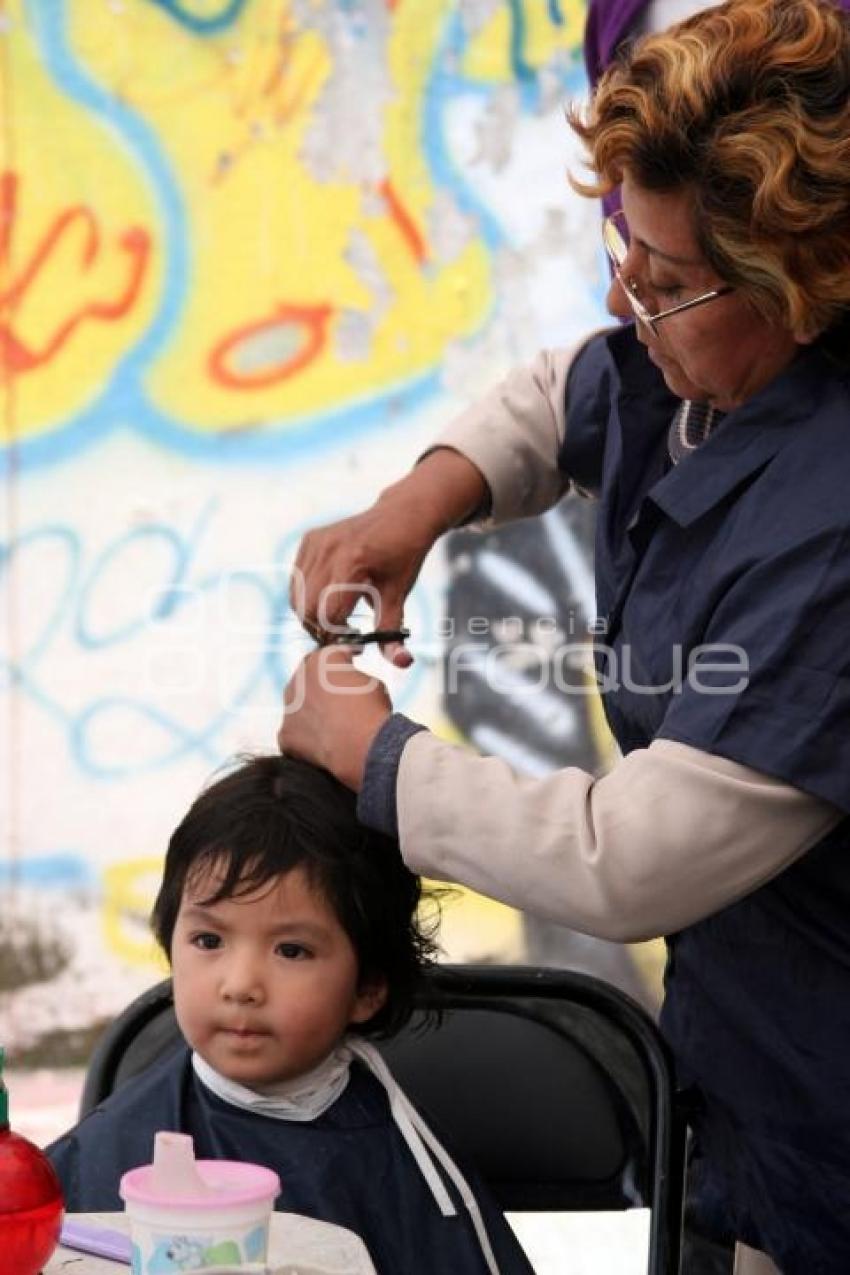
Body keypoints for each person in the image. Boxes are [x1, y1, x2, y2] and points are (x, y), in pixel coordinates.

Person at [277, 2, 850, 1273]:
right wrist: (411, 508)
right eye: (620, 252)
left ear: (799, 294)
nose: (622, 296)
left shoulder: (828, 533)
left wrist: (380, 761)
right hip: (743, 1094)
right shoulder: (691, 355)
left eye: (660, 279)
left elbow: (626, 861)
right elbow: (564, 396)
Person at [47, 755, 534, 1275]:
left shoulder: (410, 1163)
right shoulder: (108, 1147)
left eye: (292, 951)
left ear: (367, 988)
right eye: (209, 940)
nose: (240, 985)